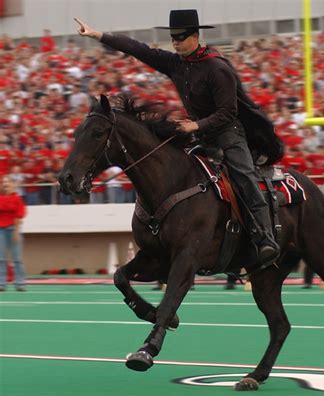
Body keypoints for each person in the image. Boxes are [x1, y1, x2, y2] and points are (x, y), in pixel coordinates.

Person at [74, 9, 281, 267]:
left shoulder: (217, 69)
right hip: (199, 136)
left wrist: (195, 124)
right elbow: (139, 49)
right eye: (173, 37)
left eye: (181, 37)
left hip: (229, 134)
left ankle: (265, 238)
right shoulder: (176, 63)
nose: (175, 42)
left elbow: (228, 113)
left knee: (244, 176)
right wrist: (98, 35)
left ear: (195, 36)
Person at [0, 175, 27, 291]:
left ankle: (20, 284)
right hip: (1, 229)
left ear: (12, 184)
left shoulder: (17, 198)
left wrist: (16, 231)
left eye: (8, 182)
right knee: (1, 258)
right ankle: (1, 284)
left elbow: (20, 214)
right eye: (3, 182)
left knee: (17, 258)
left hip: (13, 229)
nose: (5, 184)